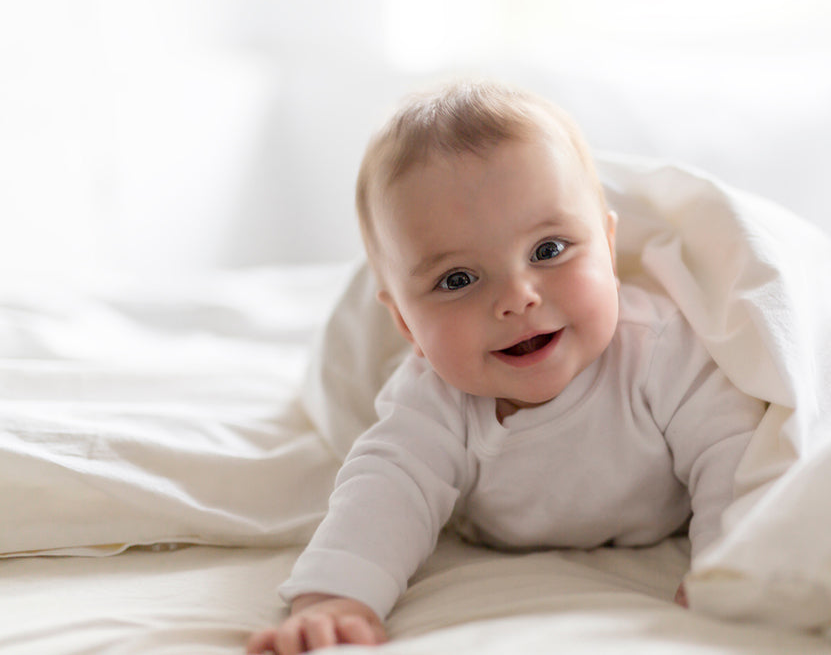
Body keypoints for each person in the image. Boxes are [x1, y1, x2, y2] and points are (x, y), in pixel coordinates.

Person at [247, 80, 766, 654]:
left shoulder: (660, 350)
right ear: (404, 326)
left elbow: (733, 453)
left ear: (609, 249)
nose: (518, 298)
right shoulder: (435, 397)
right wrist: (335, 598)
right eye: (457, 280)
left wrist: (728, 568)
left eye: (549, 250)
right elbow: (385, 489)